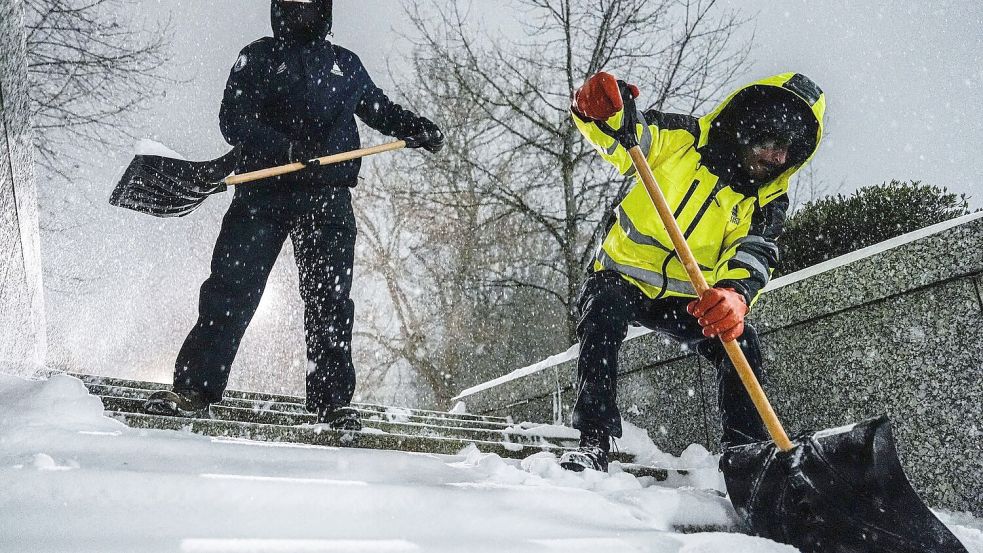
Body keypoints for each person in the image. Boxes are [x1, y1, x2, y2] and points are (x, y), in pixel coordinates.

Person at [145, 0, 444, 430]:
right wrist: (283, 147)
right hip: (262, 192)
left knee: (330, 302)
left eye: (311, 3)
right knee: (231, 291)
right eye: (293, 2)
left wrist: (414, 126)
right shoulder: (259, 56)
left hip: (327, 199)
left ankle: (331, 403)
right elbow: (234, 119)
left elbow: (377, 108)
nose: (302, 10)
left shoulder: (346, 64)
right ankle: (194, 390)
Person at [560, 72, 825, 471]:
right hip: (622, 277)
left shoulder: (767, 201)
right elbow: (621, 133)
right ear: (747, 127)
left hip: (688, 299)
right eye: (771, 143)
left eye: (788, 150)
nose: (778, 158)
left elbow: (754, 252)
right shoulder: (681, 138)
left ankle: (744, 458)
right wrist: (597, 108)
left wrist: (735, 295)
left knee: (742, 345)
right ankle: (593, 439)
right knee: (603, 310)